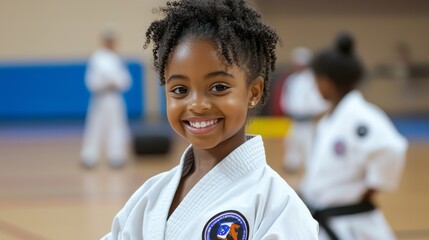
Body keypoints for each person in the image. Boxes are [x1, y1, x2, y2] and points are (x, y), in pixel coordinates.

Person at [102, 0, 318, 239]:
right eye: (180, 90)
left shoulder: (279, 206)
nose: (196, 104)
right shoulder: (150, 196)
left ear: (253, 92)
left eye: (218, 87)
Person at [300, 32, 408, 240]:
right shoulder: (332, 119)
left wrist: (370, 189)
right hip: (327, 219)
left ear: (327, 82)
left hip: (352, 221)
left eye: (316, 80)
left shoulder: (361, 118)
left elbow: (391, 148)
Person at [81, 28, 132, 168]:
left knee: (117, 127)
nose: (110, 42)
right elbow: (92, 80)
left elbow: (125, 80)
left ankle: (116, 156)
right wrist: (106, 82)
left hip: (115, 97)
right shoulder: (97, 58)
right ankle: (89, 157)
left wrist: (115, 82)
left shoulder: (117, 58)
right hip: (100, 97)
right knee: (95, 126)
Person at [280, 47, 329, 171]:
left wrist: (316, 114)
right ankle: (292, 169)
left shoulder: (313, 80)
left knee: (309, 148)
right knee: (292, 145)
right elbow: (287, 98)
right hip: (294, 120)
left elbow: (319, 102)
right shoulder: (292, 79)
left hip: (309, 121)